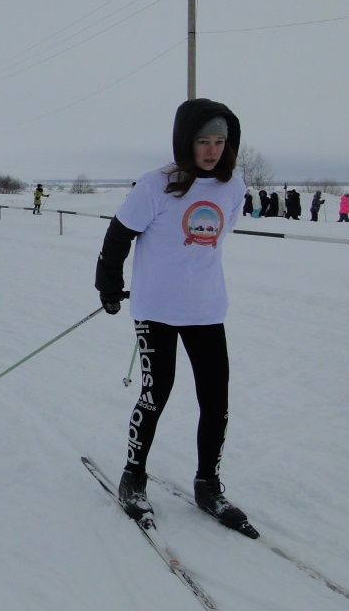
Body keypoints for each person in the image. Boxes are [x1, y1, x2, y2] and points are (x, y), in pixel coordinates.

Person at [94, 98, 250, 530]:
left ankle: (208, 484)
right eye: (204, 141)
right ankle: (133, 477)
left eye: (220, 141)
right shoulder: (155, 185)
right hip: (156, 310)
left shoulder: (232, 188)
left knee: (216, 399)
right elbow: (118, 235)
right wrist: (108, 283)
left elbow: (218, 238)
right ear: (186, 141)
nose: (213, 149)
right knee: (156, 391)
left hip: (206, 309)